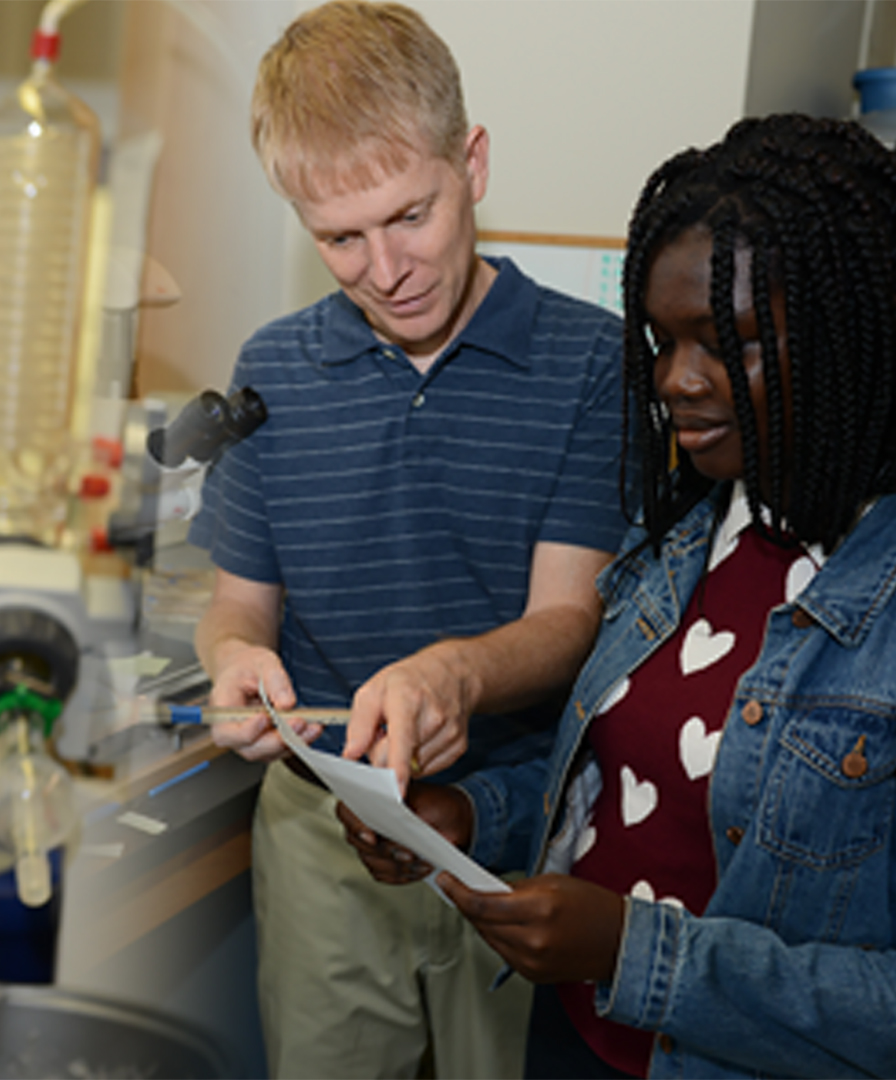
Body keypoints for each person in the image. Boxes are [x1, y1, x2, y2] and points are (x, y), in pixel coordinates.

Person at [344, 113, 896, 1078]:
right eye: (661, 340)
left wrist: (634, 953)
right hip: (577, 1040)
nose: (678, 381)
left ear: (852, 338)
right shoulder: (681, 543)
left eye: (731, 343)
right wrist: (470, 820)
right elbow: (632, 788)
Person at [185, 2, 627, 1075]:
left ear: (470, 163)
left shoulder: (592, 364)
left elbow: (570, 620)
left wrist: (450, 678)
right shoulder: (274, 370)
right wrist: (233, 660)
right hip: (322, 832)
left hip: (514, 824)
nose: (386, 269)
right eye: (340, 238)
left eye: (410, 216)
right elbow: (240, 604)